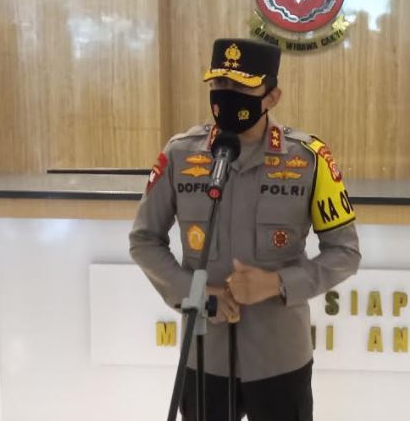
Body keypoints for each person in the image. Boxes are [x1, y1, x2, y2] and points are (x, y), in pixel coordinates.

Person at [129, 38, 361, 421]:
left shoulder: (309, 160)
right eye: (219, 84)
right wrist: (196, 294)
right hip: (204, 353)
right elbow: (144, 240)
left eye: (240, 86)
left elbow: (345, 253)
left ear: (272, 97)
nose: (226, 95)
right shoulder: (180, 155)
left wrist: (278, 283)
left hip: (279, 357)